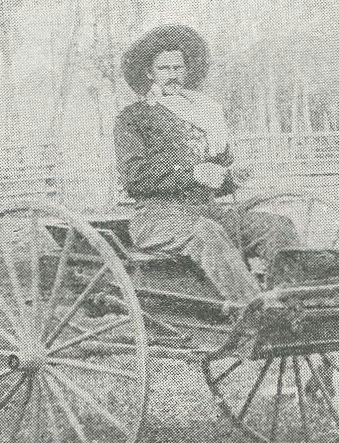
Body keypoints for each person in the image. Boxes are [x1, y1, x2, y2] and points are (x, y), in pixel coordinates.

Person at [115, 24, 300, 302]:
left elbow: (212, 180)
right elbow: (134, 177)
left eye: (178, 68)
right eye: (164, 69)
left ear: (186, 72)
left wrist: (230, 177)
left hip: (207, 211)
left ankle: (291, 299)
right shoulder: (134, 118)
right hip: (157, 218)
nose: (172, 76)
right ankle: (253, 307)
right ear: (150, 74)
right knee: (207, 231)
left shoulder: (204, 115)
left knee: (278, 226)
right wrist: (192, 173)